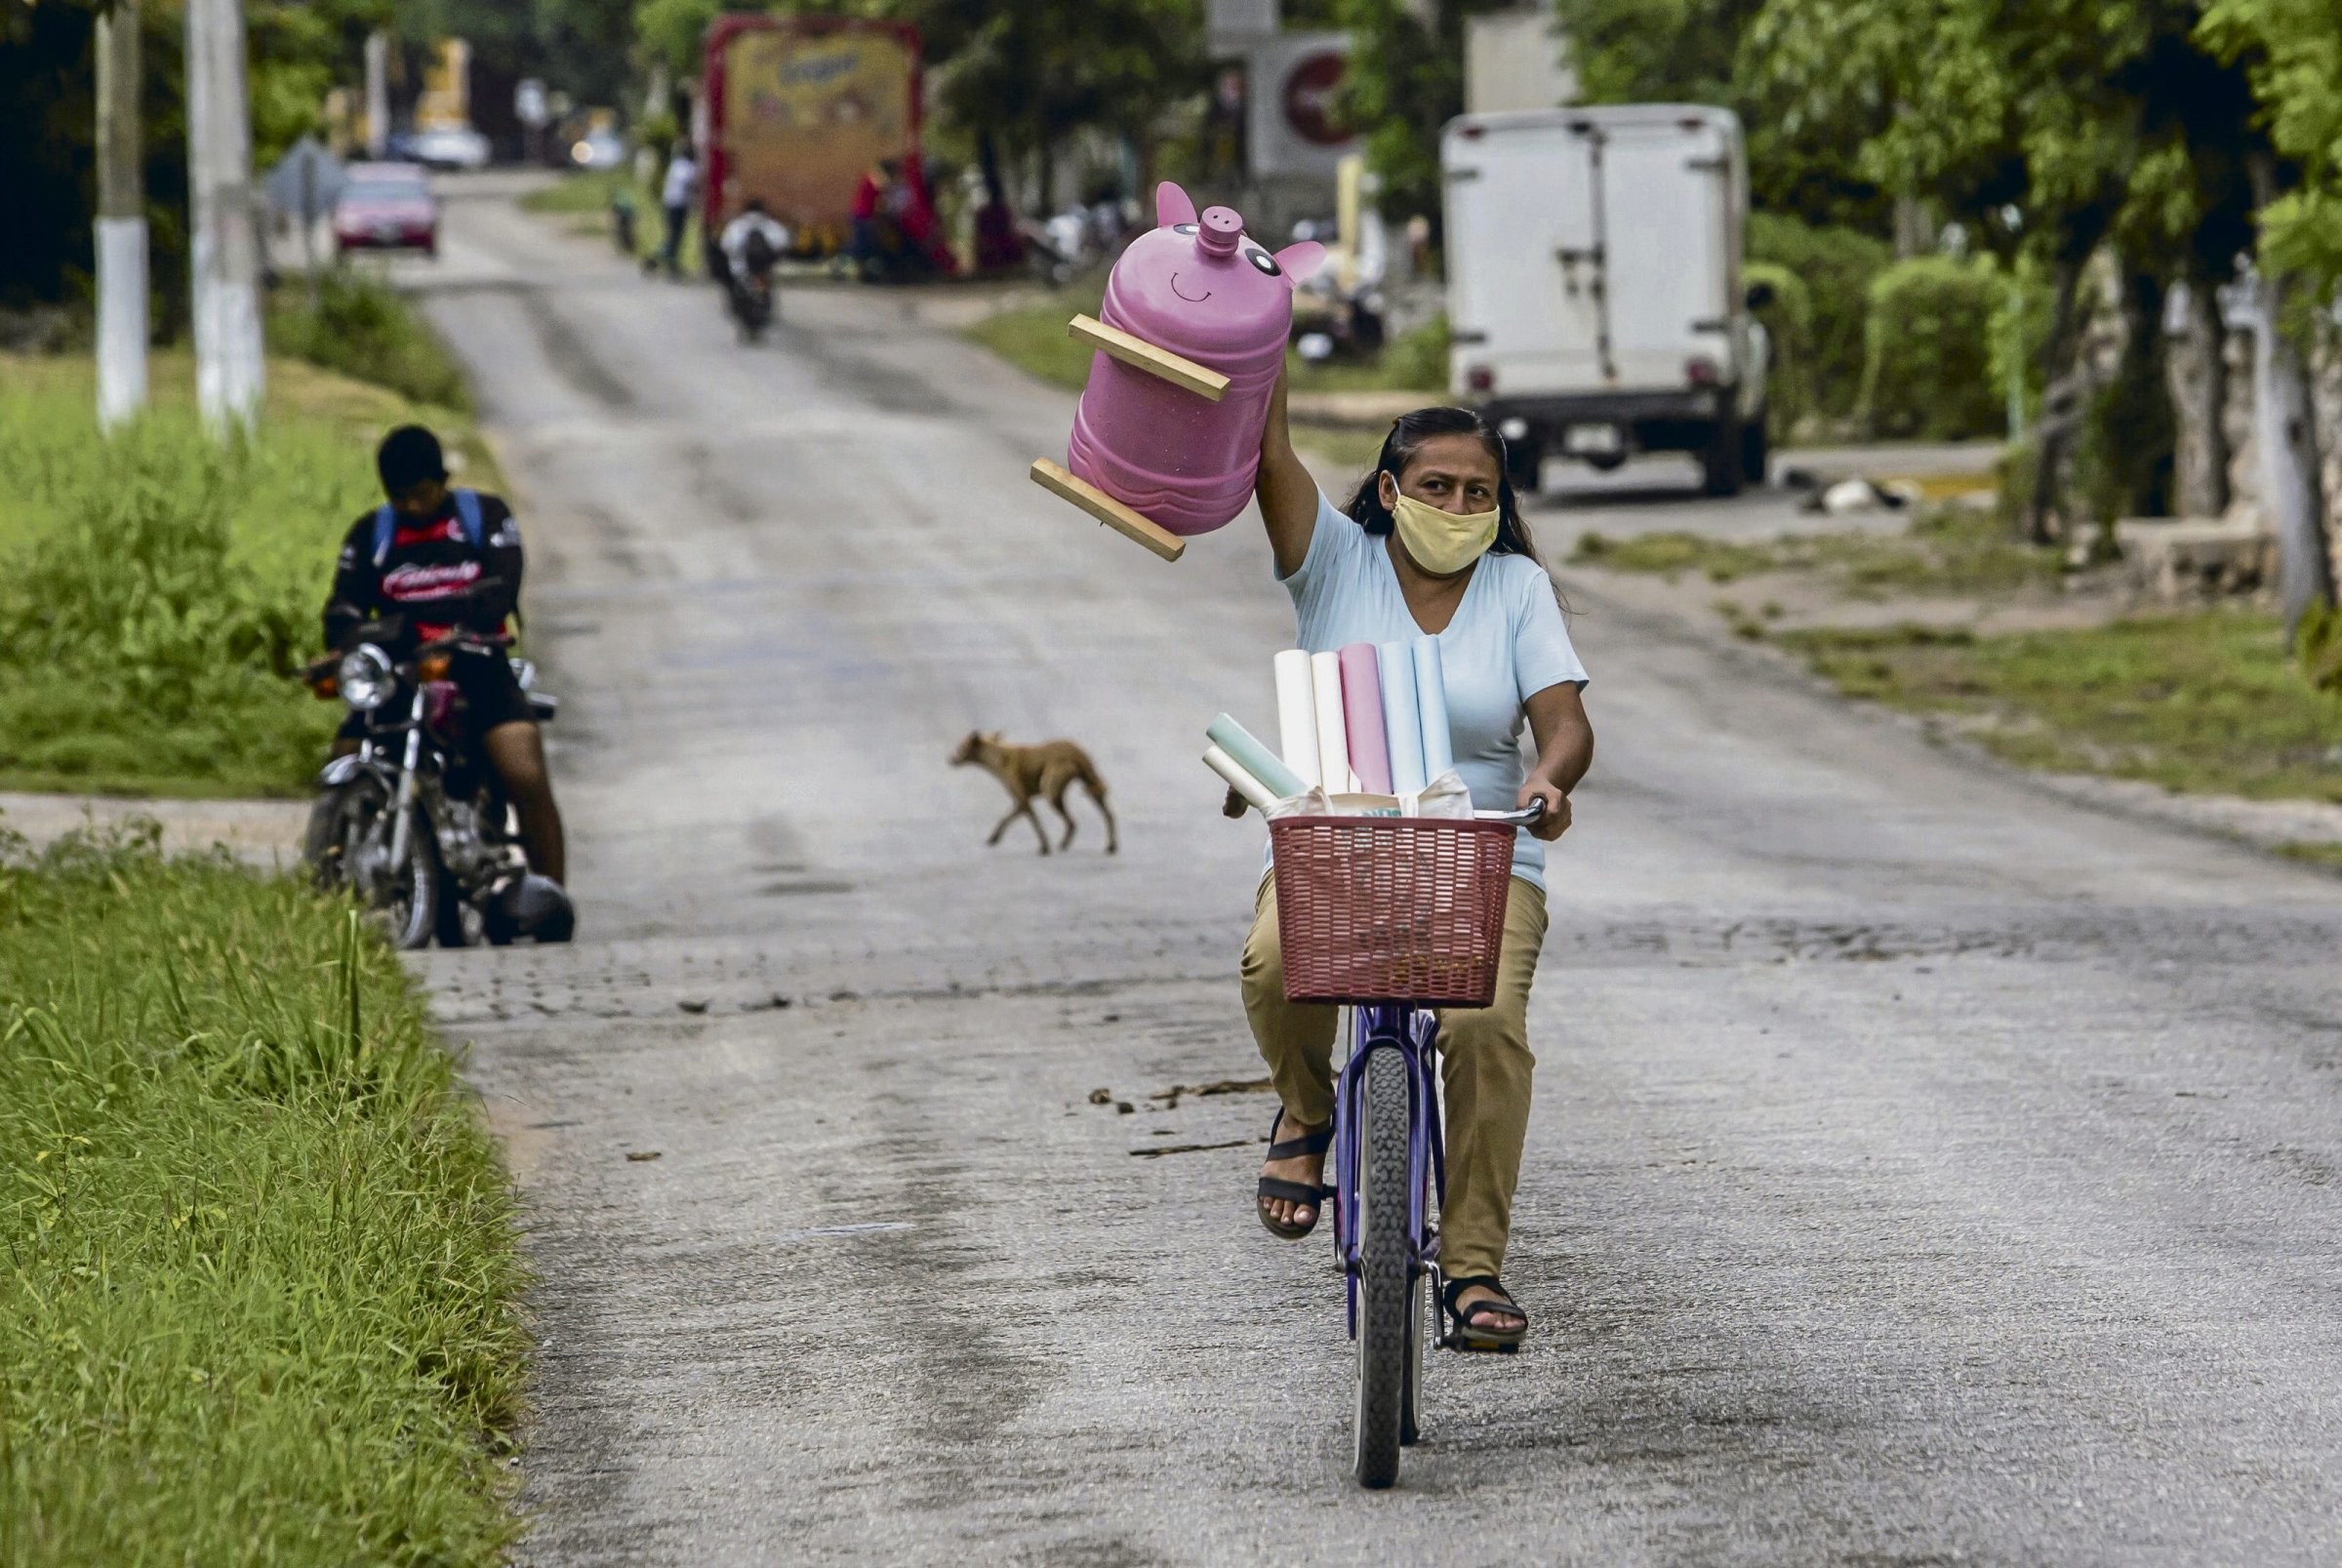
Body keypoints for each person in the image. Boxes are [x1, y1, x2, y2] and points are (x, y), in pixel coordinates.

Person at [1243, 379, 1595, 1350]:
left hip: (1480, 853)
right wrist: (1256, 329)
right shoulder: (1333, 564)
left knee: (1484, 1028)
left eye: (1478, 492)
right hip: (1339, 842)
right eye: (1434, 487)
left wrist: (1554, 779)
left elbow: (1564, 722)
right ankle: (1307, 1118)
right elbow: (1270, 456)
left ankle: (1474, 1264)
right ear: (1390, 493)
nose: (1456, 508)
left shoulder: (1517, 589)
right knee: (1279, 961)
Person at [324, 425, 568, 888]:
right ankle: (331, 894)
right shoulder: (369, 535)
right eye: (401, 499)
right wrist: (348, 645)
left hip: (478, 667)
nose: (413, 508)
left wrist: (428, 627)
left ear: (441, 480)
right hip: (400, 676)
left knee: (523, 768)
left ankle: (553, 893)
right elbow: (342, 609)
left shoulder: (486, 517)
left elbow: (499, 591)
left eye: (421, 494)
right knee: (344, 753)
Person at [718, 197, 790, 279]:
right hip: (767, 269)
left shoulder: (735, 225)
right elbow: (783, 244)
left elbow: (725, 245)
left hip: (739, 269)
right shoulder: (772, 225)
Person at [656, 146, 698, 276]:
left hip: (671, 204)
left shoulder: (676, 165)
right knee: (675, 236)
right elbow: (688, 183)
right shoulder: (686, 167)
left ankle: (669, 263)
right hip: (677, 205)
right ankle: (660, 261)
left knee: (674, 236)